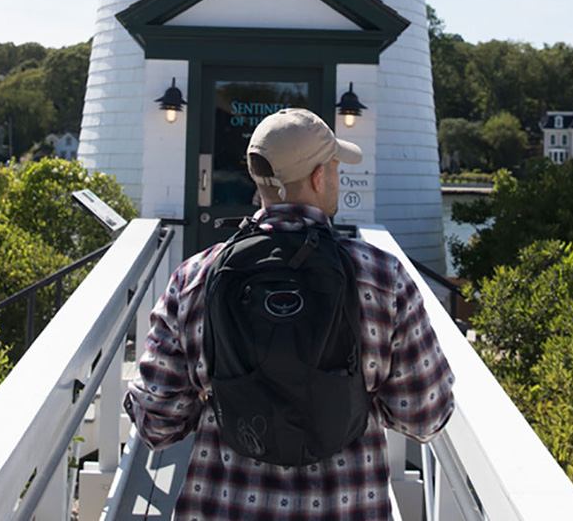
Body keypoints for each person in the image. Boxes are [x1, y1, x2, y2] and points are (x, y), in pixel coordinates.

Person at [123, 108, 455, 521]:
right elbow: (426, 415)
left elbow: (155, 423)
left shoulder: (195, 278)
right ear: (318, 178)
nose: (338, 178)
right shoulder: (383, 279)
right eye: (335, 168)